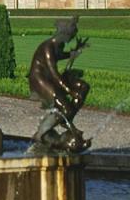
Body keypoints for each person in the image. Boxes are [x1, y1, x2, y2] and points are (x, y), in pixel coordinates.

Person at [28, 17, 91, 153]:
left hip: (51, 78)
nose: (71, 39)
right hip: (40, 79)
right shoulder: (48, 47)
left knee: (83, 87)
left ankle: (66, 119)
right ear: (64, 34)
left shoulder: (58, 45)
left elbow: (60, 55)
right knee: (65, 106)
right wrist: (69, 90)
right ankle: (41, 134)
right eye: (71, 36)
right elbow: (54, 73)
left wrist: (73, 52)